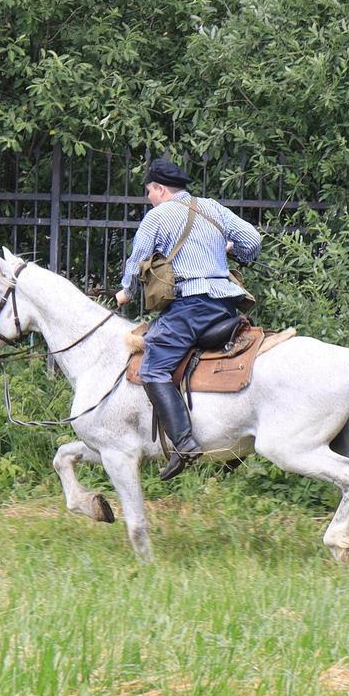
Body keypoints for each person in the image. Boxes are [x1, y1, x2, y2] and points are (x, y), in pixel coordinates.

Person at [114, 156, 263, 480]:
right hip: (226, 305)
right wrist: (230, 250)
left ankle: (184, 443)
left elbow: (138, 257)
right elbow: (252, 241)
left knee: (153, 368)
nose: (150, 199)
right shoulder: (212, 207)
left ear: (159, 189)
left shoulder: (158, 216)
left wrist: (125, 291)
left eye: (150, 192)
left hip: (190, 308)